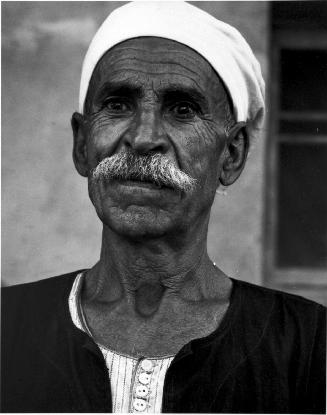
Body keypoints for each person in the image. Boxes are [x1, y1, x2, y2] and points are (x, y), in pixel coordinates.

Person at [1, 2, 325, 413]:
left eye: (182, 109)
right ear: (82, 144)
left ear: (231, 155)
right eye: (118, 104)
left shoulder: (310, 348)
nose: (143, 137)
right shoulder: (6, 328)